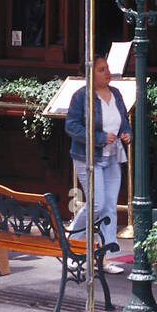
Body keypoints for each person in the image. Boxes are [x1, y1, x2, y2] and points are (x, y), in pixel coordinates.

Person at [65, 55, 132, 272]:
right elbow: (72, 126)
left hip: (112, 157)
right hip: (89, 157)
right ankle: (72, 243)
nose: (108, 72)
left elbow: (125, 121)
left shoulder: (116, 94)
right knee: (97, 203)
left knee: (109, 207)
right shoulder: (81, 97)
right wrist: (100, 138)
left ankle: (102, 258)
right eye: (102, 69)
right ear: (90, 74)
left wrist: (127, 134)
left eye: (107, 68)